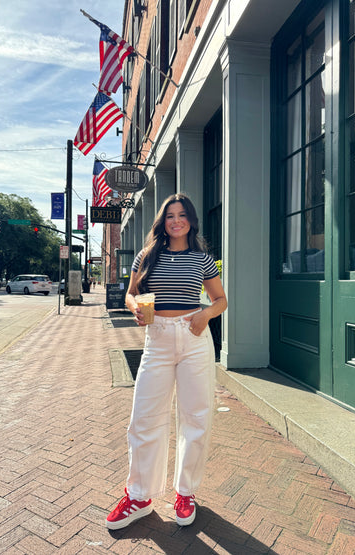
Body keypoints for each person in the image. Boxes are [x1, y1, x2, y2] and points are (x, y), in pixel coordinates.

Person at [106, 193, 227, 530]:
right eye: (170, 216)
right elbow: (131, 293)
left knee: (196, 416)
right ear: (163, 221)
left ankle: (185, 491)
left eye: (182, 215)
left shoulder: (202, 259)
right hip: (157, 338)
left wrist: (205, 315)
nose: (176, 221)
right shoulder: (146, 256)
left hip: (193, 336)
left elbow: (221, 300)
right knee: (144, 417)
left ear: (191, 220)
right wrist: (133, 307)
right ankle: (139, 496)